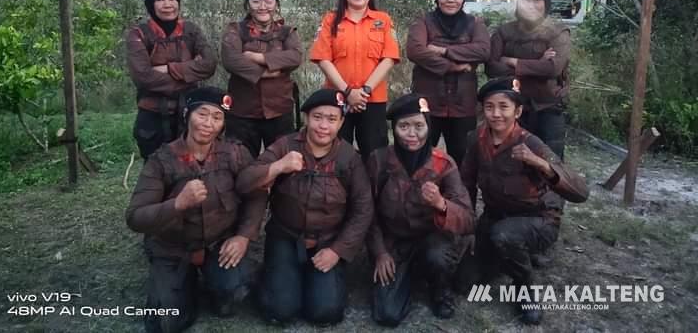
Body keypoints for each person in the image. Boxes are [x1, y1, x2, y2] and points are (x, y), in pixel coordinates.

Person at [126, 87, 267, 333]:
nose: (208, 124)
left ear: (223, 124)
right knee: (164, 323)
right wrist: (177, 204)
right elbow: (135, 217)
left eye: (217, 117)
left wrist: (244, 236)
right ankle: (182, 280)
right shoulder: (162, 160)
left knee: (232, 296)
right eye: (202, 114)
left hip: (218, 243)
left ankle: (210, 283)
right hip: (173, 248)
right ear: (187, 115)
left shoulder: (235, 154)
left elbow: (257, 195)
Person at [236, 88, 374, 325]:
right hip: (286, 236)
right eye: (317, 117)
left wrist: (337, 251)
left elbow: (363, 209)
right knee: (280, 312)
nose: (323, 126)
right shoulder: (285, 145)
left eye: (332, 119)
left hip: (327, 240)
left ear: (341, 123)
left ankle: (310, 277)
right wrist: (278, 166)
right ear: (307, 119)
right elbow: (244, 181)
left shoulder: (349, 158)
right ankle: (273, 274)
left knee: (326, 313)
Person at [458, 78, 588, 325]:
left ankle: (525, 288)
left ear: (517, 111)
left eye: (504, 107)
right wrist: (468, 226)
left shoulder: (531, 142)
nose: (496, 114)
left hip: (537, 218)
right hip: (495, 216)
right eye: (489, 107)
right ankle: (500, 257)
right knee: (463, 283)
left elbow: (580, 193)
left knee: (504, 236)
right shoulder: (476, 138)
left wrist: (540, 163)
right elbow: (467, 182)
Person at [367, 94, 475, 326]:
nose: (412, 133)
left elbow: (468, 219)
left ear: (429, 127)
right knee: (387, 315)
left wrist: (441, 204)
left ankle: (440, 290)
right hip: (395, 242)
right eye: (403, 126)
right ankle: (410, 274)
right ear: (393, 129)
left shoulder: (443, 163)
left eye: (419, 125)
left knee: (438, 258)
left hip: (433, 239)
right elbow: (367, 212)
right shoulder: (379, 160)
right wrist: (379, 252)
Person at [309, 0, 400, 161]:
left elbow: (389, 58)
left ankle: (373, 192)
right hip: (337, 99)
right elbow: (323, 59)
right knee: (336, 154)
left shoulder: (383, 20)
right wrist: (348, 92)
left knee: (376, 156)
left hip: (373, 99)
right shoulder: (330, 20)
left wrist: (364, 92)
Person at [126, 0, 217, 159]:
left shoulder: (191, 30)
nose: (168, 5)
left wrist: (167, 69)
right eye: (160, 0)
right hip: (152, 116)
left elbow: (209, 64)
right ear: (151, 4)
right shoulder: (138, 34)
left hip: (188, 113)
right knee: (155, 170)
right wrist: (189, 75)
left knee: (190, 167)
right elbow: (143, 76)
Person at [406, 0, 490, 166]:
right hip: (428, 103)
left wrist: (444, 50)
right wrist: (454, 66)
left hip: (463, 104)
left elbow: (484, 50)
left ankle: (461, 196)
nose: (451, 0)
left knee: (463, 160)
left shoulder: (475, 23)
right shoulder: (423, 21)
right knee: (420, 156)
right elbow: (415, 50)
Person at [486, 0, 570, 160]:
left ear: (545, 3)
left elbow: (553, 69)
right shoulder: (504, 31)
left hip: (547, 108)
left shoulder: (558, 32)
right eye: (526, 0)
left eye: (537, 0)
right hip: (510, 108)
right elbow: (491, 67)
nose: (531, 5)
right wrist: (538, 62)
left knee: (550, 163)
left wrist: (512, 61)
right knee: (508, 160)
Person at [221, 0, 302, 157]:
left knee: (283, 164)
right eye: (256, 1)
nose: (262, 6)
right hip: (242, 112)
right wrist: (265, 72)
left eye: (268, 1)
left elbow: (295, 56)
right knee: (238, 163)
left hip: (280, 110)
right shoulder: (235, 30)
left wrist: (259, 57)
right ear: (247, 4)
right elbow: (231, 59)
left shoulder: (287, 32)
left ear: (276, 4)